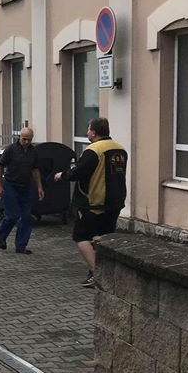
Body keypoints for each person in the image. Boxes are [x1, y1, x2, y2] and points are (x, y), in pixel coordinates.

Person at [53, 117, 127, 288]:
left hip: (93, 203)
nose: (87, 133)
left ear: (93, 132)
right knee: (104, 238)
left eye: (88, 129)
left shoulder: (94, 150)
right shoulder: (120, 149)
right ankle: (106, 272)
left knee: (81, 237)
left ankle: (97, 273)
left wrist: (62, 175)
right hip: (115, 203)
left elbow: (79, 172)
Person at [0, 127, 45, 254]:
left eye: (29, 140)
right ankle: (1, 236)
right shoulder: (11, 150)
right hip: (11, 185)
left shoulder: (34, 152)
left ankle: (21, 246)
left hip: (26, 186)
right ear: (19, 138)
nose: (26, 142)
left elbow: (35, 170)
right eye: (24, 139)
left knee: (26, 217)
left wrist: (39, 186)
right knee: (12, 215)